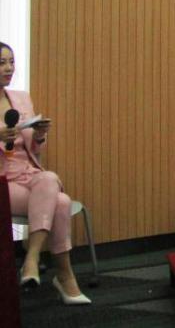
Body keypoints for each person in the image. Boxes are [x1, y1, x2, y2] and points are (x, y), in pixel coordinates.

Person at [0, 42, 90, 305]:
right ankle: (64, 276)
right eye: (2, 63)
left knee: (49, 178)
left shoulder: (21, 98)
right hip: (3, 180)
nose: (9, 68)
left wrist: (38, 134)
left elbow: (34, 148)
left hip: (28, 173)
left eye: (11, 62)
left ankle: (31, 258)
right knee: (61, 202)